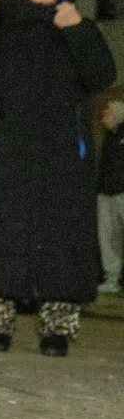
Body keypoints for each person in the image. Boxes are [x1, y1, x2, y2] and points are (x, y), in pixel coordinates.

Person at [0, 0, 116, 356]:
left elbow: (102, 78)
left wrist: (77, 27)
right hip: (11, 157)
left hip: (65, 159)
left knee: (63, 238)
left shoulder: (78, 27)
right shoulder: (2, 36)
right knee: (2, 236)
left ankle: (57, 329)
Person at [97, 100, 124, 294]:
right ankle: (112, 276)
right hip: (106, 192)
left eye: (107, 114)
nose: (103, 118)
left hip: (120, 192)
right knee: (107, 236)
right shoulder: (109, 138)